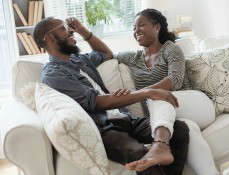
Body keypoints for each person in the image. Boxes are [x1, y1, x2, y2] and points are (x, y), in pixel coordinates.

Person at [34, 17, 190, 175]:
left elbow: (106, 53)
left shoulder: (78, 60)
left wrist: (83, 30)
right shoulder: (54, 74)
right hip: (105, 128)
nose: (70, 30)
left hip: (125, 118)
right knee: (139, 154)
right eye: (63, 28)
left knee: (179, 129)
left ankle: (160, 150)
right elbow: (97, 102)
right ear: (48, 38)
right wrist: (147, 92)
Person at [111, 9, 219, 175]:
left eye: (141, 25)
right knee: (188, 128)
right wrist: (83, 32)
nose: (136, 30)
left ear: (156, 27)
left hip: (195, 104)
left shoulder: (170, 49)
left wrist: (145, 92)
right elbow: (105, 54)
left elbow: (174, 80)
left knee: (157, 97)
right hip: (170, 118)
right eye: (133, 28)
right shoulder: (133, 58)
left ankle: (160, 146)